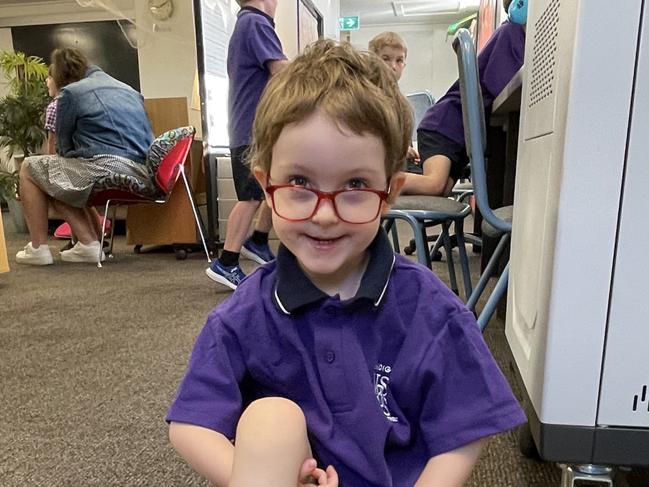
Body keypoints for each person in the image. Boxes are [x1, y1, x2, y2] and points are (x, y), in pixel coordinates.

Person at [167, 40, 526, 487]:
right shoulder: (246, 314)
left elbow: (465, 427)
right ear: (266, 184)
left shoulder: (430, 309)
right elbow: (191, 423)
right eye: (299, 182)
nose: (323, 213)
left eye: (355, 184)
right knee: (269, 419)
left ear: (390, 193)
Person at [16, 47, 153, 265]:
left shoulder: (72, 93)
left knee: (33, 168)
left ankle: (40, 248)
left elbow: (62, 147)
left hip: (107, 168)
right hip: (143, 172)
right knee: (58, 174)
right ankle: (89, 243)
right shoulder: (129, 90)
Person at [402, 0, 526, 196]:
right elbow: (503, 85)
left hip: (454, 131)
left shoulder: (512, 33)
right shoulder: (511, 32)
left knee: (441, 190)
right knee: (434, 185)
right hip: (444, 125)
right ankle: (383, 181)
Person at [205, 0, 288, 290]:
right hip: (250, 131)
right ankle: (226, 262)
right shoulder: (255, 22)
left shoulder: (250, 23)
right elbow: (283, 72)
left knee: (273, 186)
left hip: (256, 128)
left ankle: (259, 240)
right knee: (250, 196)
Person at [44, 62, 110, 250]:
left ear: (57, 80)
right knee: (84, 202)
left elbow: (53, 141)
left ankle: (82, 240)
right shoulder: (85, 101)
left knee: (63, 197)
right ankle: (97, 237)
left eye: (49, 77)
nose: (46, 81)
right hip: (89, 162)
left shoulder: (55, 106)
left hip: (68, 162)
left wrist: (49, 168)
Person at [369, 31, 421, 169]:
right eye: (386, 59)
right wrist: (401, 151)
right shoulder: (368, 95)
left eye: (399, 60)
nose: (393, 66)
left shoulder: (399, 99)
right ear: (373, 60)